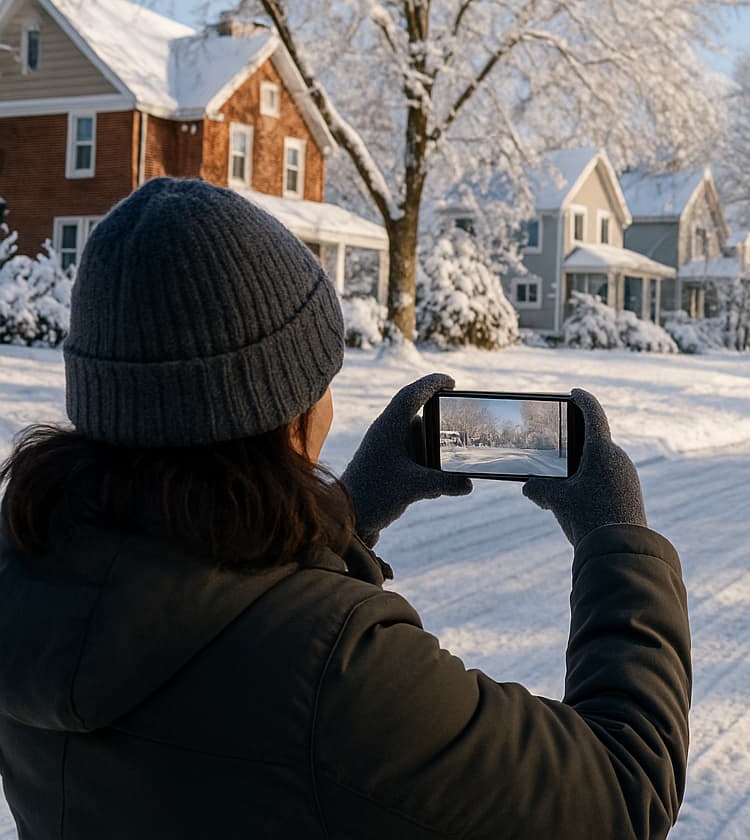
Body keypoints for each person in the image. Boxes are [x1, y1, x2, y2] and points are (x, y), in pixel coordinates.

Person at [0, 179, 690, 838]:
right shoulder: (335, 671)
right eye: (322, 379)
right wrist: (616, 539)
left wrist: (343, 516)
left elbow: (198, 615)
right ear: (284, 414)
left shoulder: (32, 589)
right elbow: (619, 793)